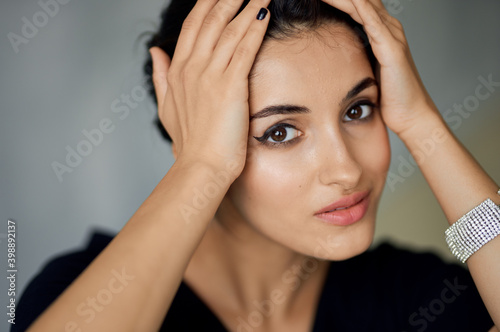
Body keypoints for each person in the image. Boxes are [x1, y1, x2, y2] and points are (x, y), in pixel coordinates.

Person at [14, 0, 500, 331]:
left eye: (359, 110)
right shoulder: (79, 294)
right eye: (279, 132)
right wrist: (201, 164)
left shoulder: (409, 297)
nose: (345, 170)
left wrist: (422, 122)